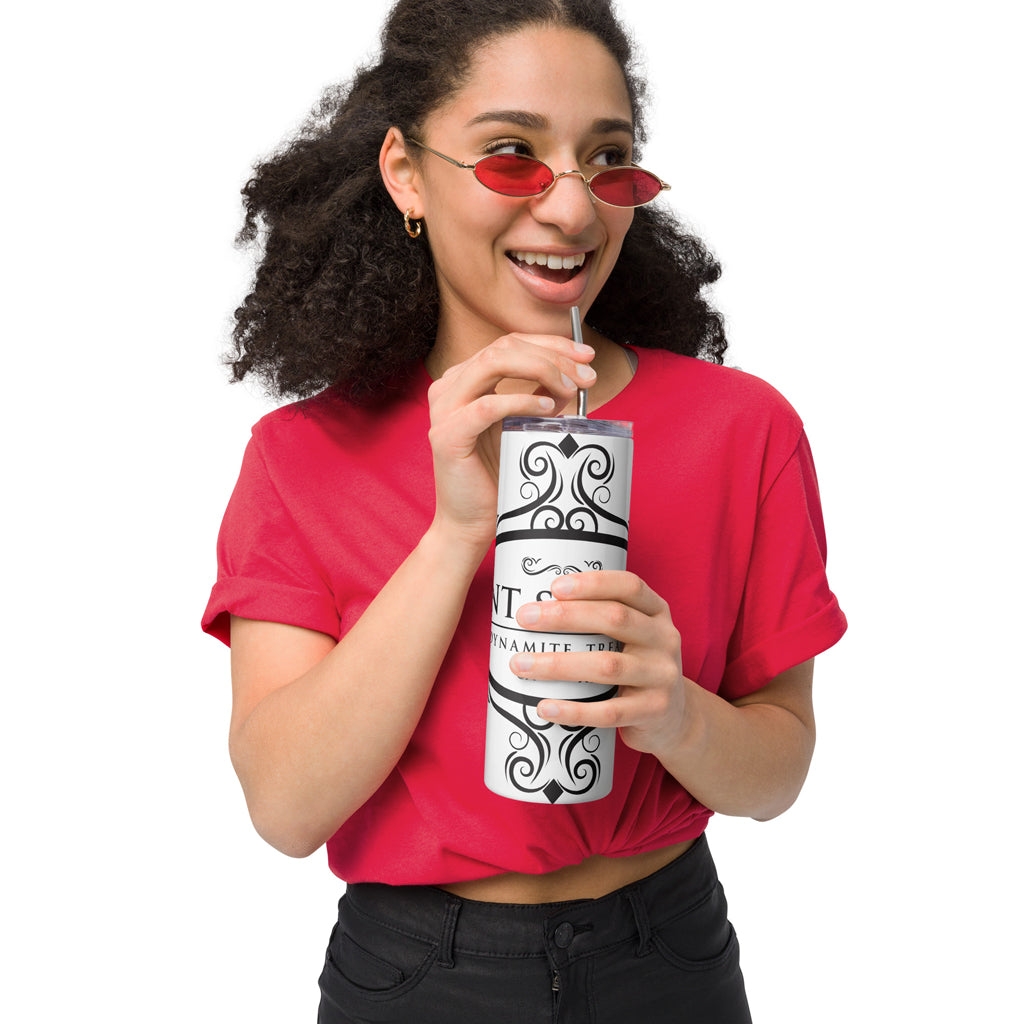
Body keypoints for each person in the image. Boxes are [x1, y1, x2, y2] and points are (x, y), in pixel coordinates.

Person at [202, 0, 847, 1020]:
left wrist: (678, 713)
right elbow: (285, 808)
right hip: (418, 972)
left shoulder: (743, 428)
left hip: (668, 952)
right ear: (407, 173)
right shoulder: (301, 457)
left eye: (607, 160)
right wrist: (458, 531)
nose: (572, 210)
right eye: (512, 155)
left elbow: (778, 772)